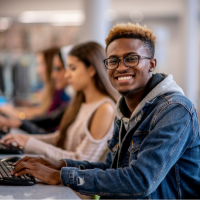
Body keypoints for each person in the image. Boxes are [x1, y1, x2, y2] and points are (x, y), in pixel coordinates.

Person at [6, 23, 200, 199]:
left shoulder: (174, 110)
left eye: (131, 59)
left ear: (151, 64)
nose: (121, 67)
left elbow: (140, 180)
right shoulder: (124, 108)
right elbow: (111, 167)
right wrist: (60, 165)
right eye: (113, 60)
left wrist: (61, 176)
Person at [1, 42, 118, 163]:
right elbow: (60, 138)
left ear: (91, 69)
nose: (67, 75)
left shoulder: (105, 108)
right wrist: (24, 139)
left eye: (73, 68)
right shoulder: (81, 103)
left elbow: (81, 161)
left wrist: (29, 143)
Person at [0, 48, 71, 133]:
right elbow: (43, 117)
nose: (38, 69)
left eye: (41, 64)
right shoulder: (56, 93)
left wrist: (15, 116)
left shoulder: (62, 96)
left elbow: (44, 122)